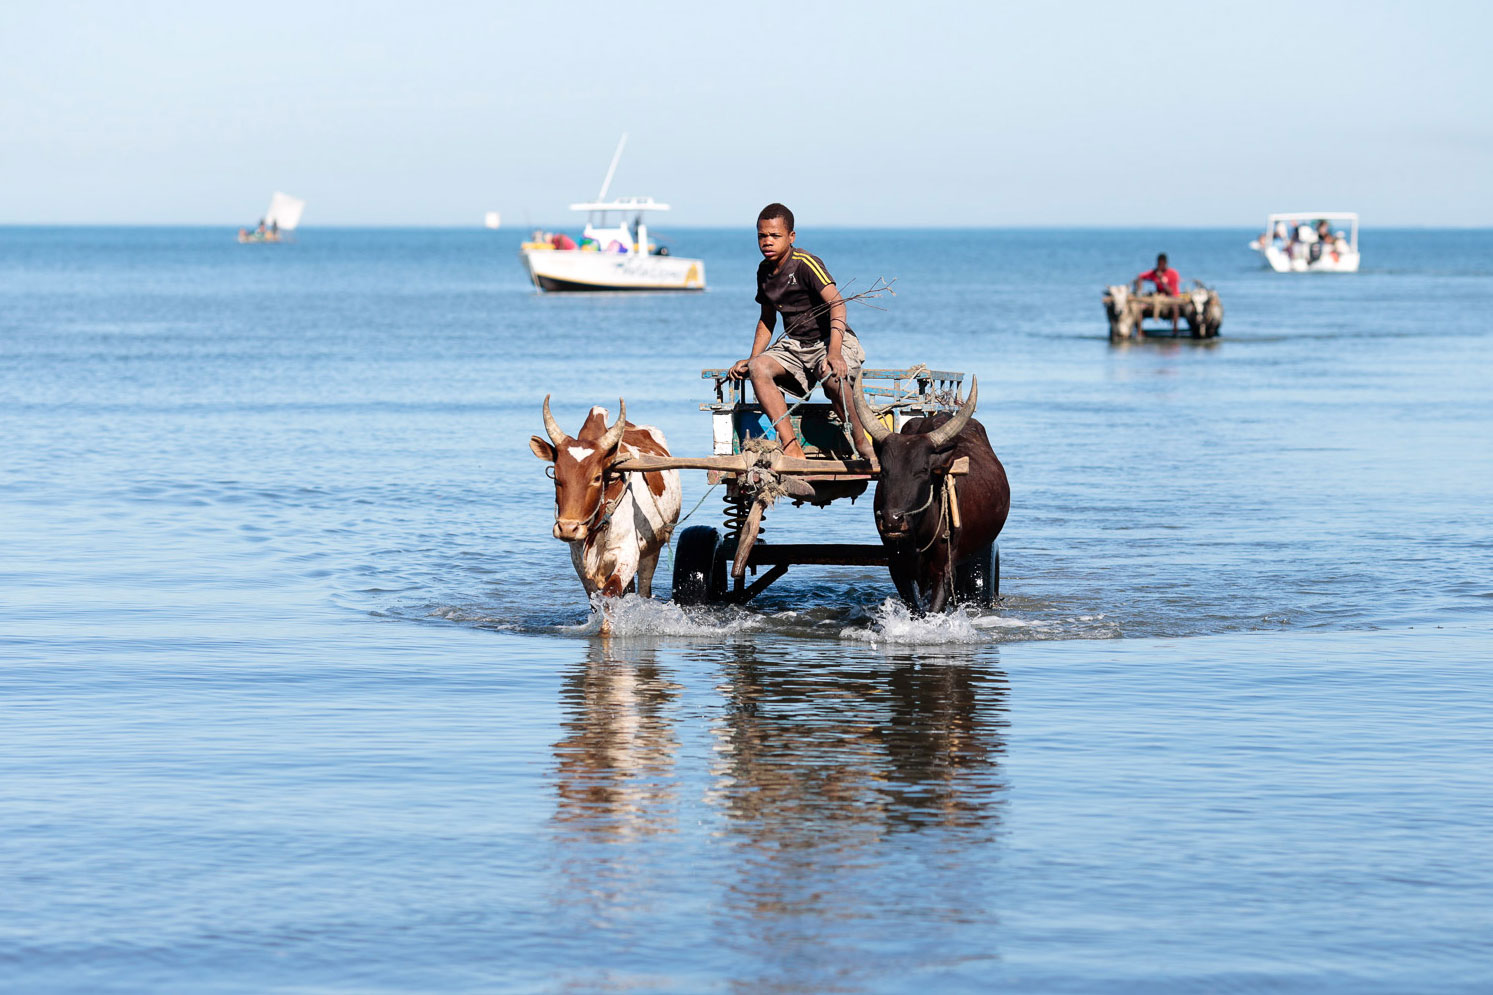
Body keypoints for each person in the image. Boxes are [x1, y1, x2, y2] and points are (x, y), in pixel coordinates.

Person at [728, 203, 876, 477]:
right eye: (762, 236)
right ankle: (791, 446)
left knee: (832, 375)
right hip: (794, 345)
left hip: (829, 340)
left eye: (775, 236)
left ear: (791, 237)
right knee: (759, 368)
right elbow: (767, 320)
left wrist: (834, 353)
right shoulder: (764, 272)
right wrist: (751, 358)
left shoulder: (806, 264)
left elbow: (838, 304)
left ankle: (861, 441)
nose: (767, 242)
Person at [1133, 252, 1181, 333]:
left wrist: (1162, 281)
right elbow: (1140, 277)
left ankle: (1175, 331)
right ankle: (1139, 332)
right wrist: (1139, 288)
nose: (1159, 266)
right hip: (1158, 297)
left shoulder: (1173, 273)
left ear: (1165, 264)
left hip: (1171, 297)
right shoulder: (1154, 273)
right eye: (1158, 264)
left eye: (1161, 264)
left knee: (1175, 308)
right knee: (1139, 308)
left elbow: (1171, 292)